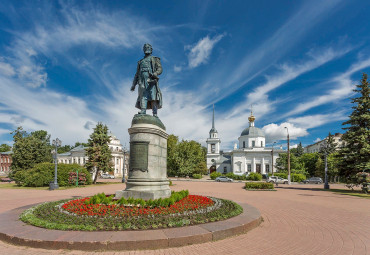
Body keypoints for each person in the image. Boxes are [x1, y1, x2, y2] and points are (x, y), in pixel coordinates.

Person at [131, 43, 163, 117]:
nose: (146, 48)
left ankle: (155, 113)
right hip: (142, 80)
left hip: (151, 80)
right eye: (145, 47)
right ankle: (143, 110)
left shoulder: (155, 59)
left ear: (151, 50)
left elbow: (160, 69)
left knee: (153, 96)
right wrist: (133, 85)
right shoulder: (140, 62)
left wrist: (156, 73)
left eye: (148, 47)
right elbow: (137, 74)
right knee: (143, 95)